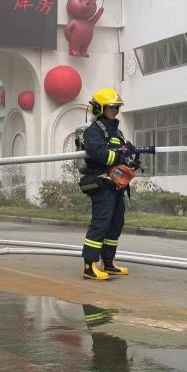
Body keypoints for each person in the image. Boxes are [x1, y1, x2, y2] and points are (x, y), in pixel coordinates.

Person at [80, 88, 136, 280]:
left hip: (117, 185)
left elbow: (122, 152)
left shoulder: (116, 132)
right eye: (111, 107)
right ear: (99, 108)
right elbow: (98, 153)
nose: (114, 110)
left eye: (116, 107)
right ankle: (89, 266)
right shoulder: (93, 131)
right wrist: (120, 157)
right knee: (101, 223)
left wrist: (131, 159)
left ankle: (108, 263)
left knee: (116, 224)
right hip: (102, 184)